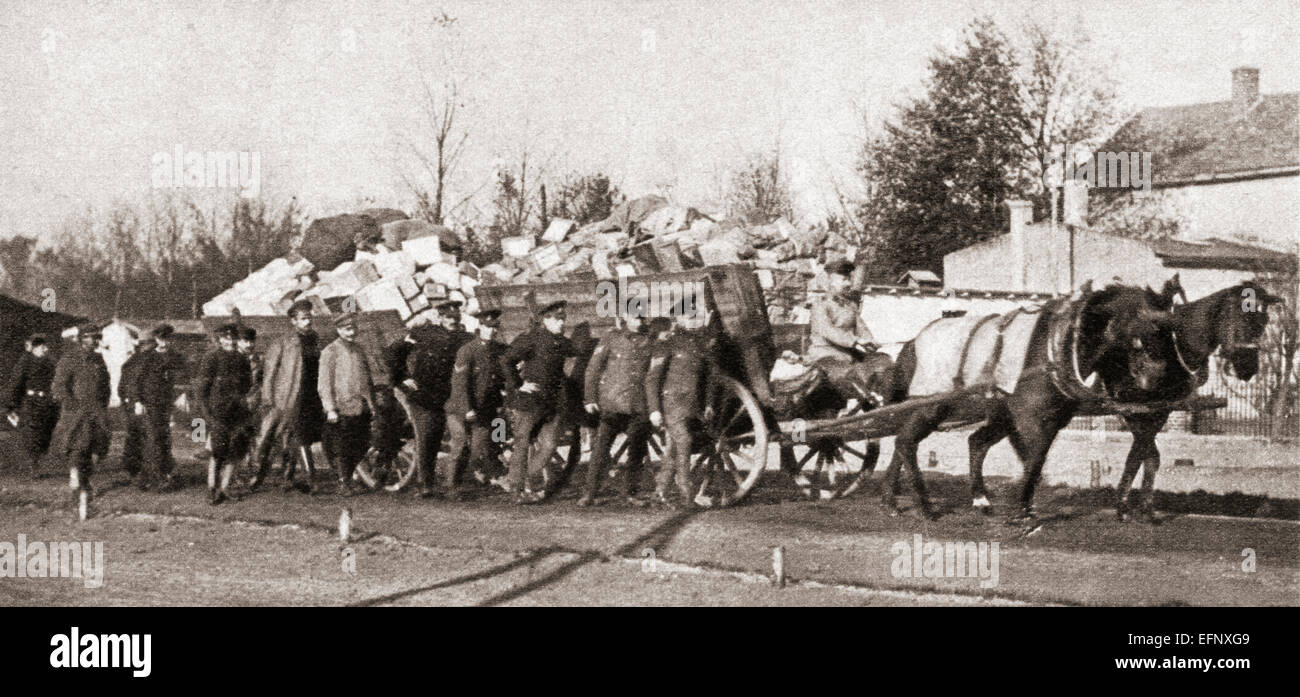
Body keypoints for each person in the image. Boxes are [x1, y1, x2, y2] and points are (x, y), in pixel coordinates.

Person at [499, 300, 578, 503]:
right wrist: (518, 385)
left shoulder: (562, 342)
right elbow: (506, 360)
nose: (562, 323)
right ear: (546, 319)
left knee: (550, 445)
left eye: (564, 319)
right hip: (530, 402)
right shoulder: (531, 339)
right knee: (523, 444)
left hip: (553, 403)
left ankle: (519, 479)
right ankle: (517, 489)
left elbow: (578, 352)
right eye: (558, 319)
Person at [579, 308, 655, 507]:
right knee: (600, 450)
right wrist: (590, 399)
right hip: (612, 405)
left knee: (637, 451)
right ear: (624, 318)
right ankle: (590, 493)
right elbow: (593, 369)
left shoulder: (651, 340)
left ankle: (631, 493)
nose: (639, 319)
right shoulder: (611, 338)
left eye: (641, 315)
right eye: (634, 316)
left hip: (639, 405)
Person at [645, 307, 719, 507]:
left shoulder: (701, 345)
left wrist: (710, 403)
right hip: (671, 404)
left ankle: (659, 493)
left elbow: (711, 377)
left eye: (695, 317)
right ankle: (686, 495)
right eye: (688, 317)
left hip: (691, 406)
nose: (693, 321)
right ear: (677, 319)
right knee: (684, 440)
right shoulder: (666, 343)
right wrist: (654, 410)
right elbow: (652, 379)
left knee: (674, 450)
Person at [249, 300, 324, 494]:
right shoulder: (283, 342)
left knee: (293, 437)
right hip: (288, 395)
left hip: (310, 394)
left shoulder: (314, 339)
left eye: (309, 318)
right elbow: (270, 372)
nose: (308, 322)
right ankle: (311, 479)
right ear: (293, 321)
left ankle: (287, 477)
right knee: (290, 436)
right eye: (303, 319)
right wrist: (268, 398)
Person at [807, 259, 892, 415]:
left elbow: (861, 327)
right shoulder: (820, 303)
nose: (848, 283)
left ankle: (880, 401)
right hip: (825, 354)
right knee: (845, 372)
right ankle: (857, 404)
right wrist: (854, 341)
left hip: (849, 355)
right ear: (830, 280)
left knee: (883, 360)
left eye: (849, 279)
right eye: (844, 279)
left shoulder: (850, 305)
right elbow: (827, 330)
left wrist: (870, 341)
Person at [442, 308, 507, 500]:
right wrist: (467, 409)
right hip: (460, 408)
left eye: (495, 327)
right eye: (488, 327)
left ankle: (490, 473)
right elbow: (460, 384)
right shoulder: (468, 350)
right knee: (460, 445)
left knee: (487, 442)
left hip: (485, 408)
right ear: (480, 327)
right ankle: (451, 486)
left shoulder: (497, 350)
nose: (492, 331)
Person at [49, 324, 111, 500]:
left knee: (98, 446)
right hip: (77, 412)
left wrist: (103, 405)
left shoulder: (99, 360)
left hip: (97, 412)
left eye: (98, 338)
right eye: (93, 338)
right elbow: (59, 387)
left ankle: (85, 478)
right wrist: (72, 406)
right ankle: (77, 476)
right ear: (83, 339)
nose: (97, 341)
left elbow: (105, 385)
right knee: (78, 446)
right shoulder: (69, 359)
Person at [318, 312, 376, 496]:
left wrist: (371, 404)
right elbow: (324, 383)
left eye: (353, 328)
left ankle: (350, 478)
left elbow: (367, 379)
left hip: (360, 405)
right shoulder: (330, 351)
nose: (351, 333)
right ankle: (343, 482)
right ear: (339, 330)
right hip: (341, 406)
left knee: (360, 445)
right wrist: (330, 409)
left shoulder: (358, 350)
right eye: (347, 329)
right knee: (342, 447)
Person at [121, 324, 184, 490]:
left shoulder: (175, 357)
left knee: (163, 439)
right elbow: (135, 382)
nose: (164, 343)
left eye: (167, 339)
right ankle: (155, 478)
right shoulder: (146, 357)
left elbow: (182, 377)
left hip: (165, 405)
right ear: (155, 339)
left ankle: (153, 476)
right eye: (161, 339)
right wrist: (137, 401)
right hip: (149, 404)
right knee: (153, 439)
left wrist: (182, 394)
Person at [4, 334, 58, 476]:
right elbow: (15, 384)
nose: (45, 349)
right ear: (33, 348)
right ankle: (34, 466)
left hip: (46, 403)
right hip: (31, 403)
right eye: (41, 346)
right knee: (32, 434)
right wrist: (10, 406)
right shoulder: (25, 362)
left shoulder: (49, 363)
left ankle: (38, 461)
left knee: (45, 434)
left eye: (45, 346)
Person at [116, 336, 155, 487]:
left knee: (134, 439)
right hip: (140, 406)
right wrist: (138, 401)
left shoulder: (131, 361)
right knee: (145, 440)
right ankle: (142, 476)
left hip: (130, 405)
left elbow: (121, 389)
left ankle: (133, 472)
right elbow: (133, 384)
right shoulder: (142, 361)